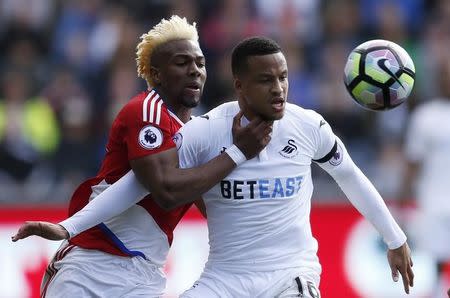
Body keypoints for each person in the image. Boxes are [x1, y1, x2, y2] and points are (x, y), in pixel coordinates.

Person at [14, 37, 414, 297]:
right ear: (239, 85)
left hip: (289, 273)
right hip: (224, 279)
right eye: (265, 80)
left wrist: (395, 239)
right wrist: (70, 226)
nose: (278, 88)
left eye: (283, 77)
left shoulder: (307, 125)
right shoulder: (205, 133)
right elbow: (142, 184)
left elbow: (350, 176)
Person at [12, 16, 271, 297]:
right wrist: (237, 153)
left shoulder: (198, 132)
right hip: (91, 267)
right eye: (182, 63)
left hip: (145, 274)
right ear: (156, 74)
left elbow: (205, 197)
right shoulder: (145, 111)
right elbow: (167, 190)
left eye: (200, 63)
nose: (195, 71)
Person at [399, 59, 450, 297]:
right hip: (433, 203)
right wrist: (401, 200)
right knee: (435, 262)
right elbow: (412, 162)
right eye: (444, 75)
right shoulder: (425, 116)